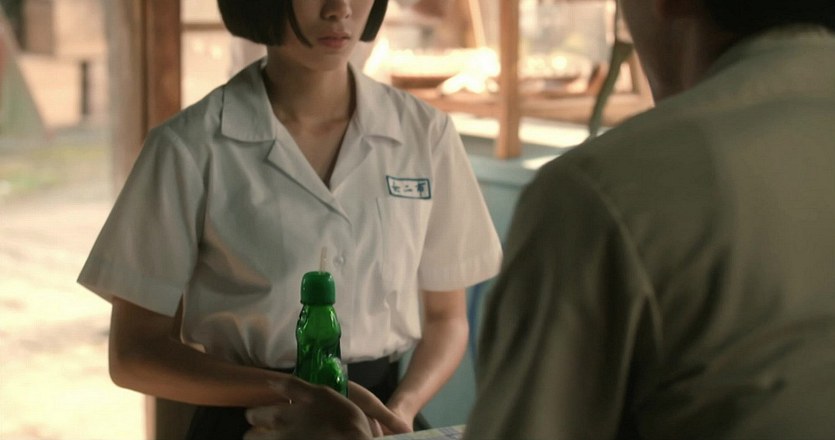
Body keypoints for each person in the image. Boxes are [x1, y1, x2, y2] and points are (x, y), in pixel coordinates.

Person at [242, 0, 835, 438]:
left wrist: (390, 419)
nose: (339, 10)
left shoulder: (604, 190)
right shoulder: (200, 141)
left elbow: (461, 334)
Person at [77, 0, 502, 438]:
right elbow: (134, 355)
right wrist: (291, 393)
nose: (339, 9)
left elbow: (447, 319)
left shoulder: (424, 134)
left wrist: (399, 413)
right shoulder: (189, 146)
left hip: (382, 420)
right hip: (245, 421)